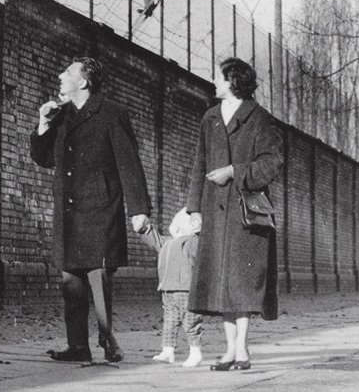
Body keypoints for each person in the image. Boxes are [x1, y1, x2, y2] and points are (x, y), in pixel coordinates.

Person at [30, 57, 151, 365]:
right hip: (70, 208)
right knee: (71, 278)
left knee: (99, 275)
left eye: (68, 72)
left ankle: (107, 337)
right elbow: (44, 159)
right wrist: (43, 123)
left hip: (100, 206)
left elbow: (129, 163)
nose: (60, 75)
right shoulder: (60, 116)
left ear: (83, 82)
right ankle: (77, 346)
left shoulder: (112, 114)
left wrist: (138, 209)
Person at [185, 57, 283, 372]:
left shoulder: (260, 119)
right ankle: (229, 350)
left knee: (242, 283)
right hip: (214, 213)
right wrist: (194, 209)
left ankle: (241, 349)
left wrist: (234, 171)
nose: (214, 82)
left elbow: (272, 163)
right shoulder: (210, 117)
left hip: (245, 215)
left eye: (219, 77)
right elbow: (199, 164)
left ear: (233, 80)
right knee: (220, 284)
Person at [138, 209, 204, 367]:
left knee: (191, 321)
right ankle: (167, 350)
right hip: (167, 289)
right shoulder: (168, 242)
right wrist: (145, 229)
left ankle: (196, 351)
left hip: (185, 289)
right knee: (170, 321)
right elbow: (155, 240)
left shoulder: (193, 241)